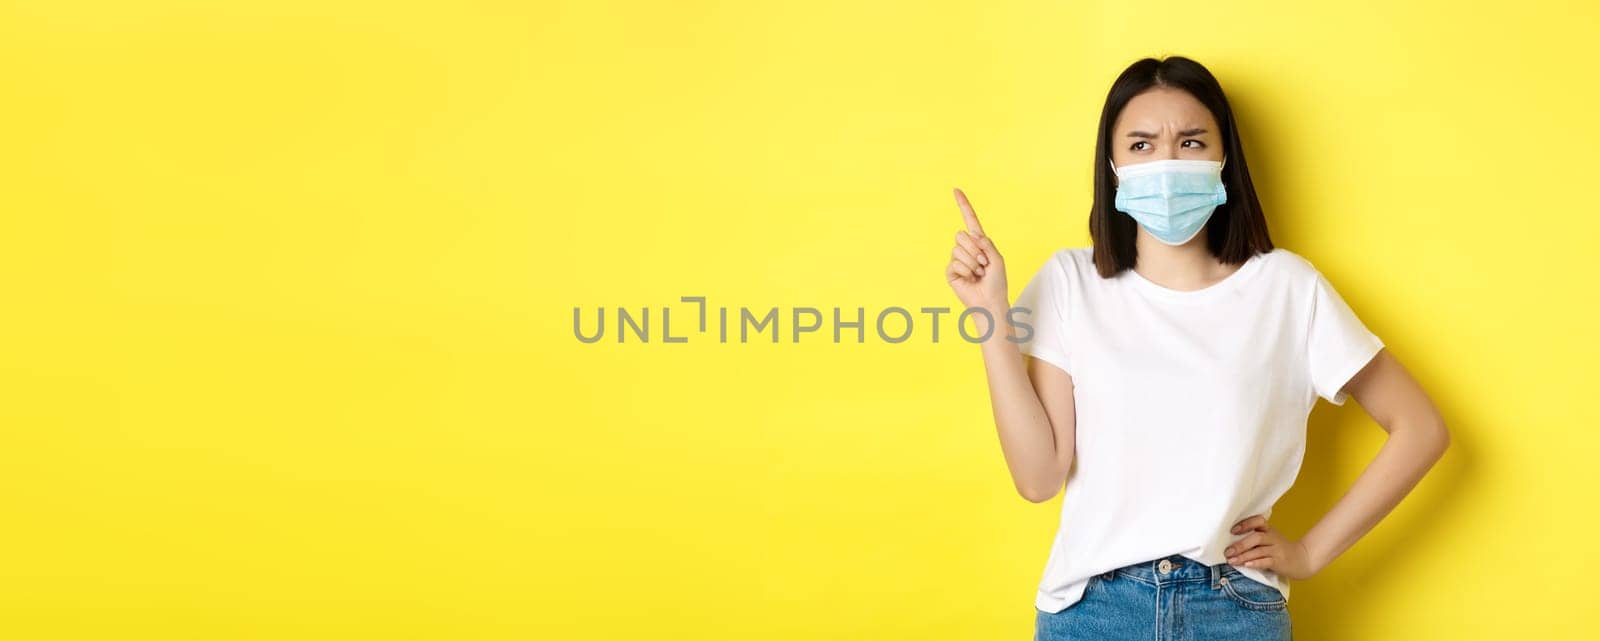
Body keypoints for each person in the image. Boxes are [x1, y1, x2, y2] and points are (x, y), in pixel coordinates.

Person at [943, 56, 1450, 641]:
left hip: (1233, 610)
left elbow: (1420, 428)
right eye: (1141, 145)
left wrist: (1309, 553)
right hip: (1093, 612)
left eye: (1190, 141)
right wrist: (990, 316)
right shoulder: (1069, 282)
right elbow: (1038, 478)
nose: (1166, 162)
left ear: (1223, 159)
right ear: (1112, 168)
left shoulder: (1287, 288)